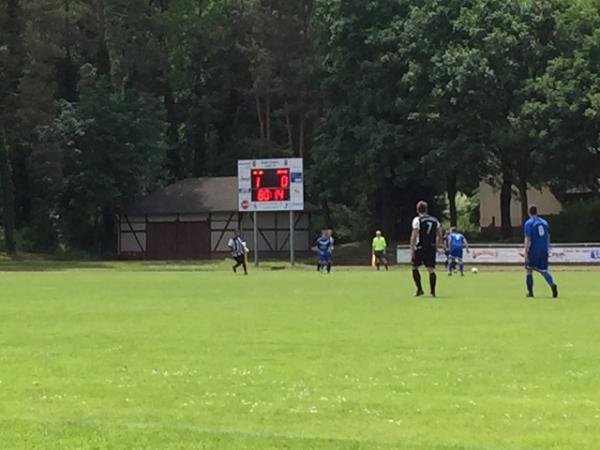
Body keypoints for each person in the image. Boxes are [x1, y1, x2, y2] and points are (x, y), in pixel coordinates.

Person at [524, 205, 558, 298]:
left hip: (534, 250)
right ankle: (552, 284)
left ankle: (530, 292)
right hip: (543, 249)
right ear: (537, 212)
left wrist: (526, 251)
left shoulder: (529, 223)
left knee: (529, 270)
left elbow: (528, 238)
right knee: (543, 270)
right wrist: (548, 247)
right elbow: (547, 236)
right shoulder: (544, 222)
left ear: (529, 212)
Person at [410, 201, 442, 297]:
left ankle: (419, 289)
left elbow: (414, 235)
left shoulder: (417, 220)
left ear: (417, 210)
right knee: (431, 269)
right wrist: (436, 246)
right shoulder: (435, 220)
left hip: (420, 247)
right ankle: (433, 292)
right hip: (431, 247)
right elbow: (440, 235)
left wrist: (412, 249)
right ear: (426, 209)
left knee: (414, 267)